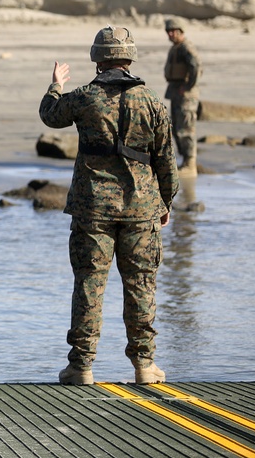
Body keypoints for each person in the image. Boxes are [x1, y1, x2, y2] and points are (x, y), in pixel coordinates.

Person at [39, 26, 179, 386]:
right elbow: (166, 159)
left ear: (97, 59)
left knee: (88, 284)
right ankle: (145, 366)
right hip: (141, 209)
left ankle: (81, 367)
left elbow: (50, 115)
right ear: (130, 58)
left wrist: (55, 83)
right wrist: (165, 201)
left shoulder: (85, 97)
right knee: (142, 285)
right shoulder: (151, 101)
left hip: (92, 211)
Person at [164, 18, 202, 177]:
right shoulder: (176, 48)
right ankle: (185, 161)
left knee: (186, 128)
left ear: (181, 31)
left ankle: (190, 164)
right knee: (177, 128)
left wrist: (188, 86)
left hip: (186, 95)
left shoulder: (186, 48)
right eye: (168, 31)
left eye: (174, 31)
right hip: (176, 92)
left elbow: (196, 66)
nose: (171, 34)